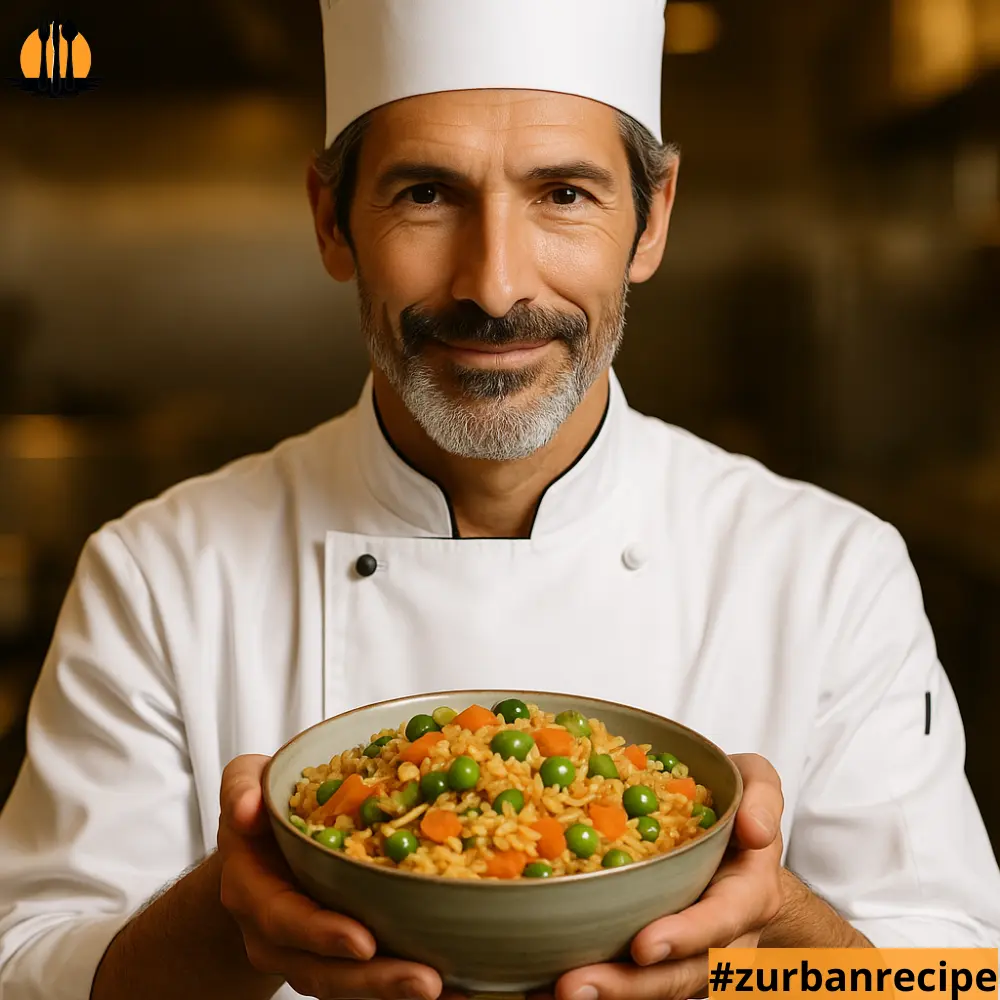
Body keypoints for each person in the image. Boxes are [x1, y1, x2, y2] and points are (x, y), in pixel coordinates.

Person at [1, 1, 999, 998]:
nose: (492, 283)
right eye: (427, 192)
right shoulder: (157, 574)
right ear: (329, 217)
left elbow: (951, 980)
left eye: (562, 193)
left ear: (650, 221)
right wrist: (230, 916)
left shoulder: (830, 572)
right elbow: (24, 967)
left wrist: (759, 937)